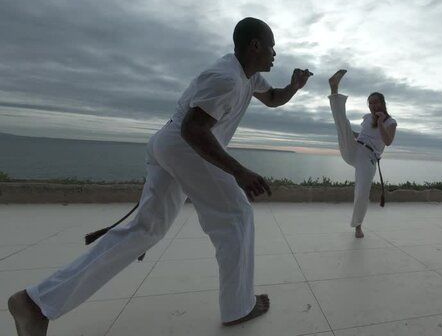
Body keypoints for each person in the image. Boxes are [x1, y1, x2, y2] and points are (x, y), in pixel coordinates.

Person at [8, 17, 313, 336]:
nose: (275, 54)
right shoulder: (225, 78)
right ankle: (239, 306)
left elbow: (274, 98)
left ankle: (35, 303)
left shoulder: (248, 77)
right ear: (255, 46)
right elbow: (193, 129)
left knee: (145, 230)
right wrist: (238, 171)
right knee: (236, 214)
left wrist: (294, 86)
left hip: (170, 145)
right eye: (272, 46)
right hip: (185, 145)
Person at [328, 69, 397, 238]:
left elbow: (387, 141)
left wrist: (381, 122)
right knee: (343, 122)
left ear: (383, 103)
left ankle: (358, 225)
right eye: (371, 103)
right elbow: (362, 136)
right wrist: (346, 132)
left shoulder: (390, 122)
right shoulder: (366, 118)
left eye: (376, 102)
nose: (373, 106)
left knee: (361, 193)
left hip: (369, 158)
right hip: (355, 149)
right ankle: (334, 88)